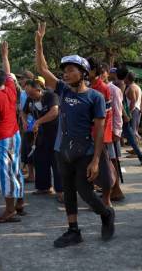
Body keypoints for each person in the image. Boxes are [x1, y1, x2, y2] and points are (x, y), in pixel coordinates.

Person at [34, 22, 115, 247]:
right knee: (68, 190)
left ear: (83, 73)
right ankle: (73, 230)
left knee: (85, 192)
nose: (66, 74)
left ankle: (106, 214)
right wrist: (39, 43)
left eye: (71, 70)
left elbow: (99, 130)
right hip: (62, 151)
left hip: (85, 152)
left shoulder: (95, 97)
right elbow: (43, 70)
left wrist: (97, 159)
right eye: (65, 70)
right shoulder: (62, 89)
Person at [0, 41, 24, 223]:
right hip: (15, 136)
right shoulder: (10, 89)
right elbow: (8, 72)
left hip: (2, 139)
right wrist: (5, 56)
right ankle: (19, 203)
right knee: (15, 169)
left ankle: (10, 210)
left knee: (4, 173)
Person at [22, 78, 62, 202]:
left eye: (32, 94)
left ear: (39, 90)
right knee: (40, 159)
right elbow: (23, 112)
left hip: (55, 133)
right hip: (40, 135)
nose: (30, 97)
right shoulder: (30, 99)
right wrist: (24, 122)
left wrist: (38, 121)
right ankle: (44, 187)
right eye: (28, 94)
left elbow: (54, 112)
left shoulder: (51, 96)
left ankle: (61, 190)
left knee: (57, 163)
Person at [87, 58, 117, 207]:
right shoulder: (88, 86)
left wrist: (105, 135)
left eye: (87, 69)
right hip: (88, 133)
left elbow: (107, 114)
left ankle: (107, 199)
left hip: (100, 134)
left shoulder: (102, 88)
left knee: (104, 167)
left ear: (94, 70)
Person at [117, 68, 142, 166]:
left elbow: (132, 101)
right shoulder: (134, 86)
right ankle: (139, 154)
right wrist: (141, 108)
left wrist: (129, 112)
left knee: (132, 132)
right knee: (130, 132)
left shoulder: (129, 87)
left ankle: (139, 154)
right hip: (134, 111)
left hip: (131, 111)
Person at [102, 65, 126, 202]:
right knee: (106, 160)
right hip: (101, 131)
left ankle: (116, 188)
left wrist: (117, 131)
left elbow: (118, 111)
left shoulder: (113, 89)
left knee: (112, 159)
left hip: (111, 131)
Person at [124, 72, 142, 139]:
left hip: (133, 110)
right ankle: (135, 146)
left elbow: (133, 100)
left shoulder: (131, 88)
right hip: (137, 110)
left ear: (127, 78)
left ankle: (136, 147)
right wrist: (141, 108)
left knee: (133, 130)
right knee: (135, 129)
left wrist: (129, 111)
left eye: (125, 77)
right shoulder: (137, 87)